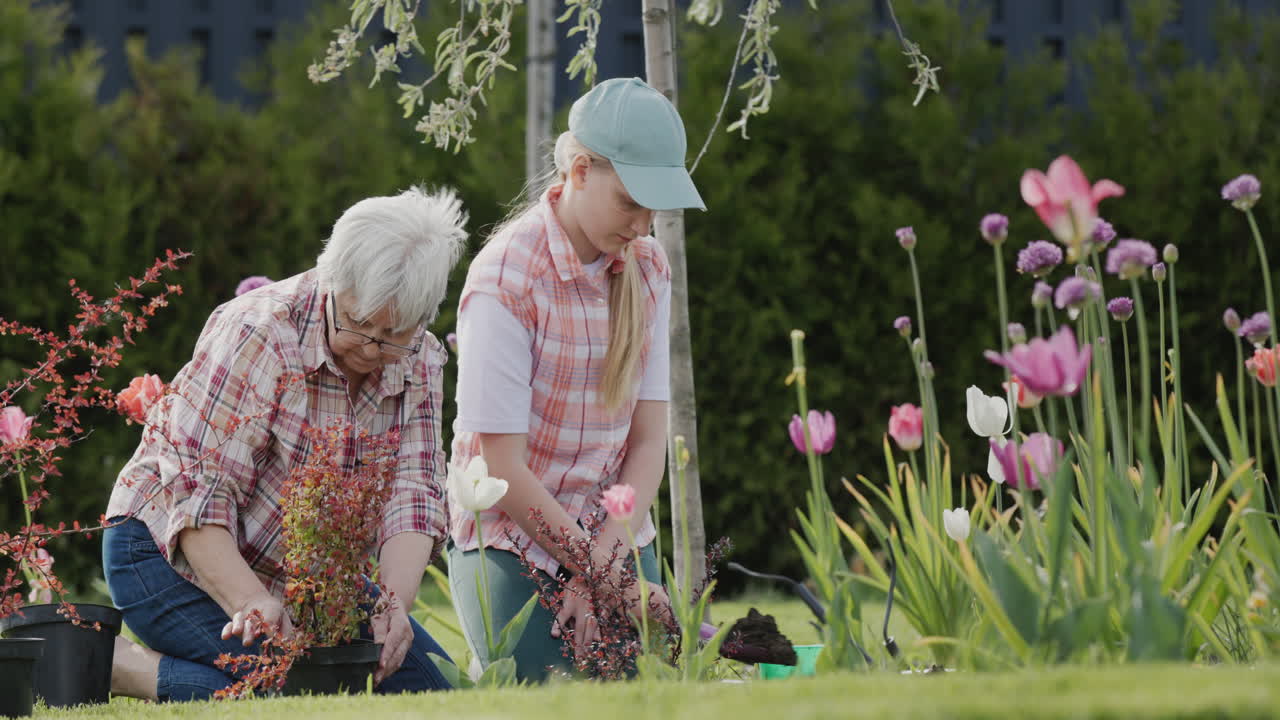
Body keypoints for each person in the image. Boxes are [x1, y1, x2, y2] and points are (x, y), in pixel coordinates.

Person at [102, 186, 468, 701]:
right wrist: (251, 600)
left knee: (429, 695)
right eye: (358, 323)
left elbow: (412, 493)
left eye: (393, 335)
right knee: (296, 697)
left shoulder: (421, 358)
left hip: (306, 579)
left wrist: (392, 606)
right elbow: (200, 492)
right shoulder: (259, 331)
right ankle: (123, 668)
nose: (371, 348)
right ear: (333, 281)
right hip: (166, 554)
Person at [447, 77, 706, 682]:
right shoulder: (506, 279)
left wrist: (605, 568)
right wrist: (607, 578)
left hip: (614, 529)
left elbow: (648, 442)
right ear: (581, 171)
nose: (643, 224)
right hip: (512, 532)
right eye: (630, 202)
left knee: (648, 688)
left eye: (655, 207)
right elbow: (502, 469)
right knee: (548, 688)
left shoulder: (649, 268)